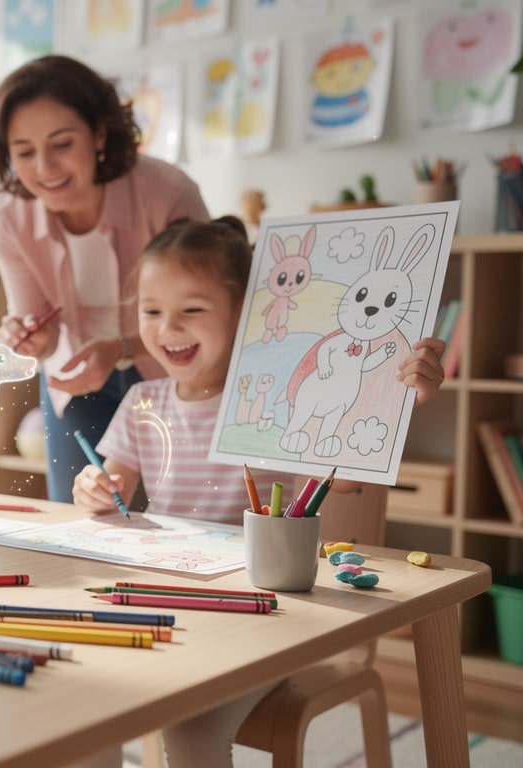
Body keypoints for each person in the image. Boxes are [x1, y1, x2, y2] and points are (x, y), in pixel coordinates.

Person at [72, 217, 446, 764]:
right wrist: (94, 490)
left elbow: (344, 479)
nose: (168, 328)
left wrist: (397, 403)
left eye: (192, 310)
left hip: (265, 618)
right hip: (173, 604)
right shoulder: (141, 402)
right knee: (88, 704)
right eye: (151, 311)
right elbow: (109, 493)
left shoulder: (278, 401)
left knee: (193, 733)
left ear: (246, 314)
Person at [0, 54, 211, 503]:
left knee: (180, 520)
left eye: (62, 144)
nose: (44, 168)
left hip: (176, 371)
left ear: (99, 132)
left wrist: (120, 349)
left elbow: (210, 316)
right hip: (78, 383)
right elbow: (38, 328)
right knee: (84, 515)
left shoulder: (167, 194)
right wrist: (28, 337)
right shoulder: (11, 216)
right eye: (24, 152)